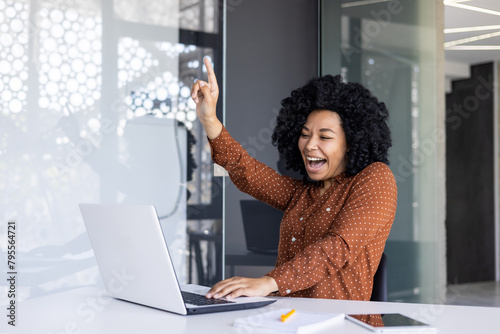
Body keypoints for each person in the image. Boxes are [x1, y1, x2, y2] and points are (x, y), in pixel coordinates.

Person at [191, 58, 397, 301]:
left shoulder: (376, 178)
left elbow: (337, 247)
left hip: (342, 323)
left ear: (351, 144)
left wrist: (269, 282)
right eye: (305, 134)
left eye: (325, 137)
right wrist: (209, 120)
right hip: (286, 318)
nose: (310, 145)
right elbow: (248, 173)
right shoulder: (303, 193)